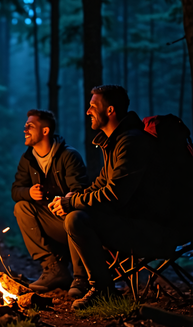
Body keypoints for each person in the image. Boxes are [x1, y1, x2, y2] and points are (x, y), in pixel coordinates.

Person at [49, 85, 184, 309]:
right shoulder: (118, 142)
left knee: (76, 219)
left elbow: (113, 196)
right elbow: (101, 185)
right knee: (75, 211)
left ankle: (102, 290)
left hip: (156, 231)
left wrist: (72, 202)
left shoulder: (132, 143)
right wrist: (72, 197)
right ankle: (94, 283)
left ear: (110, 110)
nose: (88, 111)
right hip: (139, 223)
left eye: (93, 106)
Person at [11, 109, 90, 297]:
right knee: (21, 207)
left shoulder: (69, 156)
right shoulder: (28, 159)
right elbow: (16, 191)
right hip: (51, 223)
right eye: (25, 126)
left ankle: (82, 278)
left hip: (74, 224)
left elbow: (81, 191)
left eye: (30, 126)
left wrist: (66, 200)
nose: (25, 129)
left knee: (74, 215)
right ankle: (54, 268)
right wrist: (28, 192)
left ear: (45, 131)